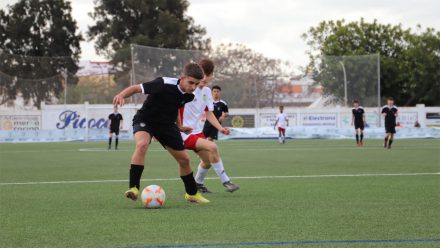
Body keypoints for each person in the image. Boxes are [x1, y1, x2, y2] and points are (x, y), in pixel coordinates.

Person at [113, 62, 209, 204]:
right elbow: (136, 88)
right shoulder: (163, 83)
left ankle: (192, 194)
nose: (193, 87)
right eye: (191, 83)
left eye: (196, 84)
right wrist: (121, 95)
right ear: (182, 77)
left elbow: (175, 108)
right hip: (146, 119)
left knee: (185, 160)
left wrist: (180, 126)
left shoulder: (189, 95)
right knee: (142, 144)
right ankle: (133, 188)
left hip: (166, 126)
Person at [178, 59, 239, 193]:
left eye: (208, 75)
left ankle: (198, 183)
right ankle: (226, 181)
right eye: (203, 74)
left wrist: (220, 128)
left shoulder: (206, 92)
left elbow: (209, 113)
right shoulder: (187, 88)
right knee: (212, 147)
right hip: (182, 132)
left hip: (197, 132)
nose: (205, 78)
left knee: (207, 161)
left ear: (212, 76)